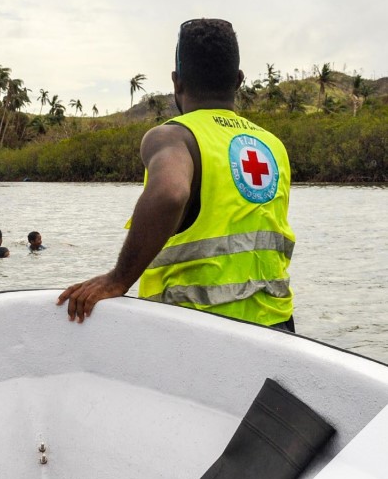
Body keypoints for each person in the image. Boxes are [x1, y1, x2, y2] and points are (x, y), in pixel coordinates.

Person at [58, 18, 295, 330]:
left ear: (177, 82)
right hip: (276, 325)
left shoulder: (173, 137)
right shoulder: (272, 146)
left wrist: (118, 279)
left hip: (197, 329)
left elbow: (170, 193)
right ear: (238, 80)